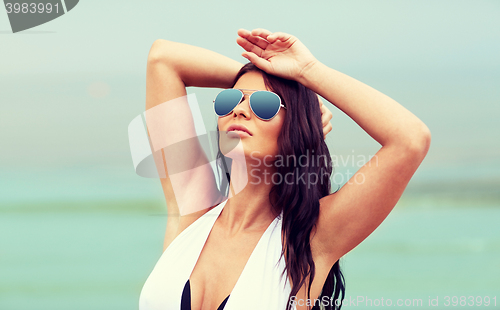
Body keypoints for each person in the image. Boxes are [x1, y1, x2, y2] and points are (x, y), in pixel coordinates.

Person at [138, 28, 431, 310]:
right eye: (231, 100)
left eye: (264, 104)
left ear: (295, 126)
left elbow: (410, 139)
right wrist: (272, 80)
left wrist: (305, 74)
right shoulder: (193, 208)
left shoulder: (312, 239)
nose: (239, 110)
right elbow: (163, 58)